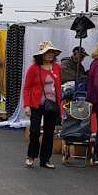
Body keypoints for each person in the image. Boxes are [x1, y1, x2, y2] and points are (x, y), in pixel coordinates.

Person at [23, 41, 63, 169]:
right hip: (37, 103)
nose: (50, 55)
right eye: (47, 52)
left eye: (52, 52)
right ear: (41, 55)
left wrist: (60, 103)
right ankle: (31, 156)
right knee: (34, 131)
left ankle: (45, 159)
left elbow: (58, 86)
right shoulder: (34, 68)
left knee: (49, 132)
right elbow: (27, 88)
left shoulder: (57, 67)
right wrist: (27, 105)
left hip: (52, 104)